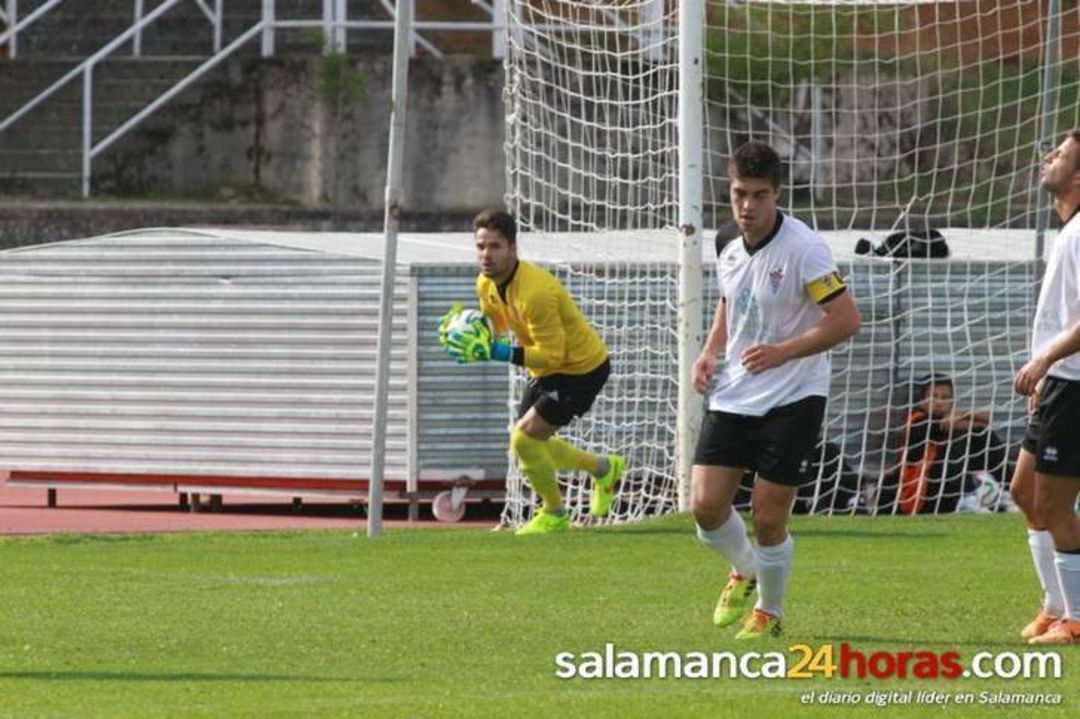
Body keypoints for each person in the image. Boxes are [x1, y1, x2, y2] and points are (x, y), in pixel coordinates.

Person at [690, 141, 861, 639]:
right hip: (737, 389)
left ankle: (769, 610)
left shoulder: (805, 249)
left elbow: (847, 320)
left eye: (760, 195)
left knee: (769, 516)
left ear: (777, 194)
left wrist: (784, 351)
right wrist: (709, 350)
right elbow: (731, 299)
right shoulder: (726, 240)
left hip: (795, 394)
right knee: (704, 507)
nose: (747, 207)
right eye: (739, 194)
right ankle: (743, 567)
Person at [439, 209, 625, 535]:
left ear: (513, 248)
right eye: (481, 246)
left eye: (495, 246)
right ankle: (604, 469)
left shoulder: (536, 292)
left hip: (581, 369)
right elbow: (495, 328)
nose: (487, 255)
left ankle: (554, 513)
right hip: (547, 368)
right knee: (528, 444)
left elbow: (554, 355)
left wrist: (498, 352)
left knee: (524, 439)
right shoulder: (485, 284)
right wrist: (467, 337)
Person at [1010, 129, 1080, 645]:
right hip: (1059, 382)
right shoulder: (1067, 231)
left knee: (1055, 507)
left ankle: (1077, 620)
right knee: (1023, 493)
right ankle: (1057, 606)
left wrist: (1046, 360)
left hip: (1075, 386)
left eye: (1059, 154)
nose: (1047, 158)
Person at [897, 373, 1009, 514]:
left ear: (952, 402)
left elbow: (986, 419)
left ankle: (1007, 489)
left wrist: (962, 415)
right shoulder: (916, 421)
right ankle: (968, 497)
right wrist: (964, 418)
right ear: (922, 402)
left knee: (981, 433)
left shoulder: (949, 419)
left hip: (946, 490)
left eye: (945, 398)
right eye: (934, 396)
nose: (939, 402)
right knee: (963, 438)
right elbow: (951, 425)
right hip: (922, 497)